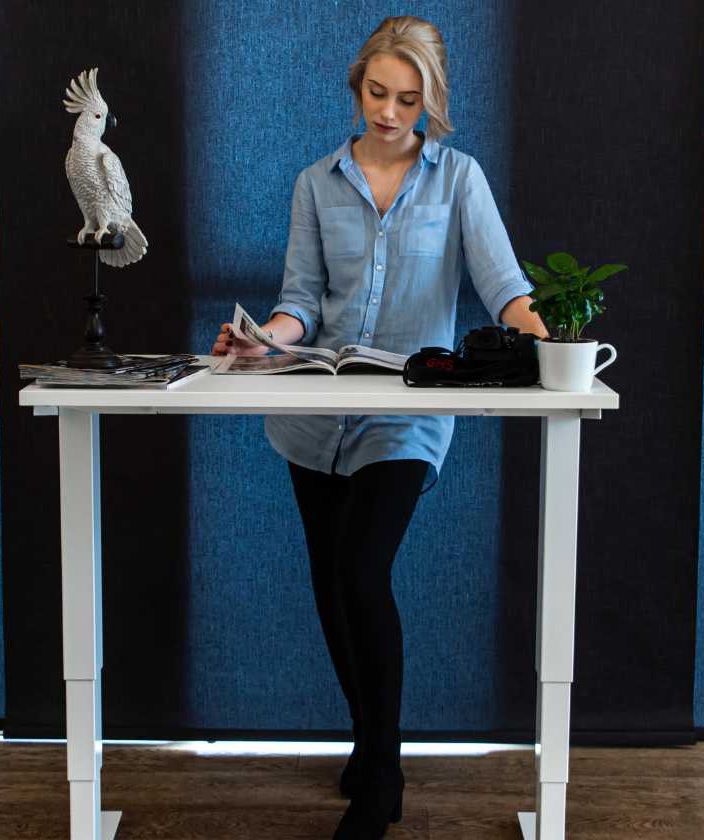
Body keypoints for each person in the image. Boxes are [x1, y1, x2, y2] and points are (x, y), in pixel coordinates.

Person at [212, 15, 548, 839]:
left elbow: (505, 288)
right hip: (313, 413)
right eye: (378, 93)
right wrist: (264, 342)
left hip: (406, 410)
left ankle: (383, 773)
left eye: (409, 99)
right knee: (331, 588)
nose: (391, 113)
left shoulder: (459, 180)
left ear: (430, 101)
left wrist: (556, 338)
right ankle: (369, 744)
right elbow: (299, 302)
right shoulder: (315, 183)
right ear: (356, 85)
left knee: (363, 573)